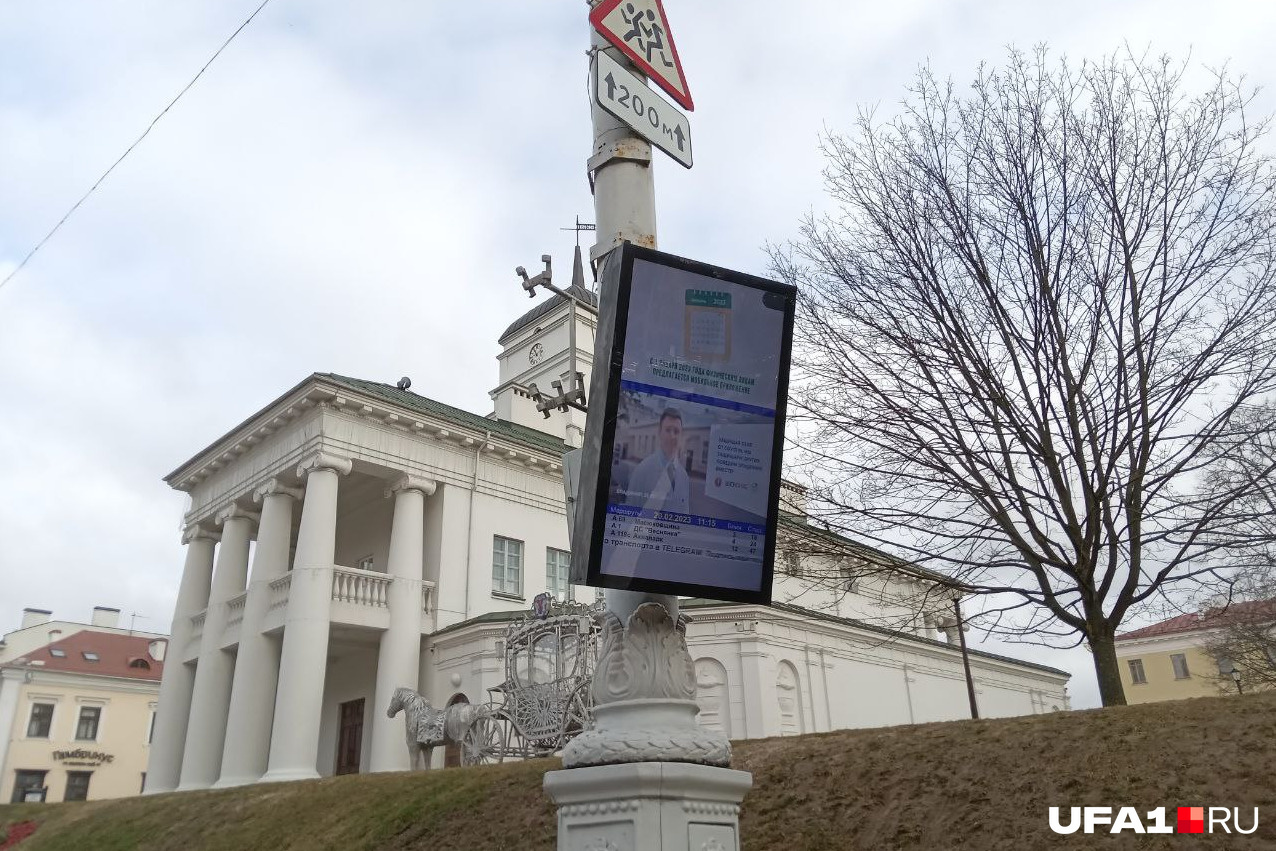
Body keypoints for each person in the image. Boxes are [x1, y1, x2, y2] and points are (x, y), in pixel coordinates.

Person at [625, 407, 691, 513]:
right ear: (659, 432)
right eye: (668, 430)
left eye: (676, 431)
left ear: (681, 436)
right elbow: (629, 512)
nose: (672, 436)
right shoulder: (642, 470)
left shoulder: (684, 477)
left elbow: (685, 516)